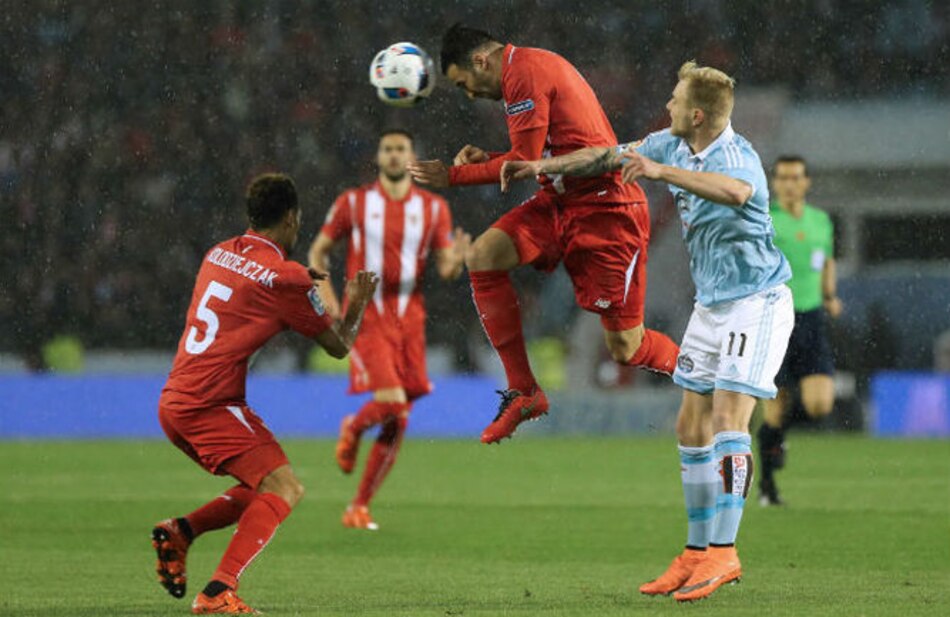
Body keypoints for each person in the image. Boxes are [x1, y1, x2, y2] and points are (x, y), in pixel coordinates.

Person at [502, 61, 794, 602]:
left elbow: (735, 193)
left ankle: (725, 553)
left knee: (730, 418)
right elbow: (609, 155)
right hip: (711, 307)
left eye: (677, 100)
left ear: (699, 114)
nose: (668, 106)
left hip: (756, 304)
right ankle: (696, 551)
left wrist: (661, 175)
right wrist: (538, 165)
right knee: (689, 425)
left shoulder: (737, 155)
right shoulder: (673, 142)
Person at [408, 24, 679, 444]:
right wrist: (493, 158)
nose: (470, 95)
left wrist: (453, 175)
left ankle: (709, 373)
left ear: (480, 60)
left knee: (626, 346)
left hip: (606, 209)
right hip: (559, 202)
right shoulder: (523, 70)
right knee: (482, 256)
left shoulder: (524, 73)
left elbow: (525, 160)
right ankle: (525, 391)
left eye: (465, 84)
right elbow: (538, 159)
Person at [152, 173, 379, 614]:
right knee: (285, 488)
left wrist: (297, 284)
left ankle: (181, 531)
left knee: (263, 489)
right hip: (210, 407)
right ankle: (218, 591)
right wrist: (358, 299)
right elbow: (339, 346)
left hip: (175, 402)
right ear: (292, 219)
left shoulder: (218, 252)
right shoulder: (286, 278)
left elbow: (253, 290)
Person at [308, 129, 469, 530]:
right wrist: (327, 298)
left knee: (399, 419)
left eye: (401, 149)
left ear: (412, 157)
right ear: (379, 157)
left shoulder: (433, 209)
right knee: (393, 403)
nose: (394, 155)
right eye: (388, 149)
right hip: (367, 313)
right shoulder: (354, 203)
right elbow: (317, 252)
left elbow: (446, 268)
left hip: (410, 316)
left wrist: (461, 260)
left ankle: (359, 506)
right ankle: (354, 425)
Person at [758, 155, 841, 506]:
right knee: (775, 405)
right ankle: (768, 487)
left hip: (811, 318)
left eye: (796, 177)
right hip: (775, 318)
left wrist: (829, 295)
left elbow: (826, 261)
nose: (790, 184)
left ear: (806, 182)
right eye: (783, 178)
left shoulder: (820, 221)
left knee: (820, 403)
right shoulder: (765, 221)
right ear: (774, 184)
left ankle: (779, 437)